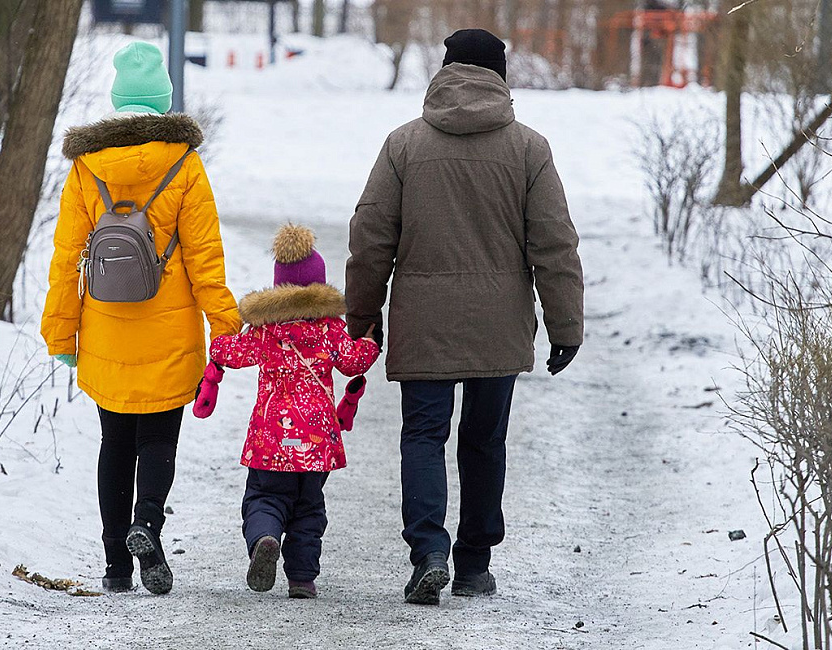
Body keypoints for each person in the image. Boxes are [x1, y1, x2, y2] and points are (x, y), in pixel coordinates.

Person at [345, 28, 585, 605]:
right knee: (484, 440)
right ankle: (474, 563)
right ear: (499, 77)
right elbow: (554, 244)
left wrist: (363, 313)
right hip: (497, 324)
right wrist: (565, 326)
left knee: (423, 436)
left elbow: (371, 236)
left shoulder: (404, 145)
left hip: (424, 323)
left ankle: (428, 552)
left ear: (445, 73)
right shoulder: (529, 149)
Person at [41, 42, 241, 595]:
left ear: (118, 100)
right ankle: (146, 523)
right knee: (158, 438)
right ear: (163, 101)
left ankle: (114, 568)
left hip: (105, 326)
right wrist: (225, 326)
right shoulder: (184, 164)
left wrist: (61, 331)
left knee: (115, 443)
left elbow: (65, 257)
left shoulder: (86, 168)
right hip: (169, 327)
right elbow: (206, 257)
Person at [206, 224, 379, 599]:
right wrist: (369, 343)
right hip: (316, 443)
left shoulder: (264, 330)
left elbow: (230, 353)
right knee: (309, 509)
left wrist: (218, 340)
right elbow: (352, 362)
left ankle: (264, 539)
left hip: (271, 439)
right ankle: (301, 577)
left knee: (263, 499)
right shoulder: (330, 329)